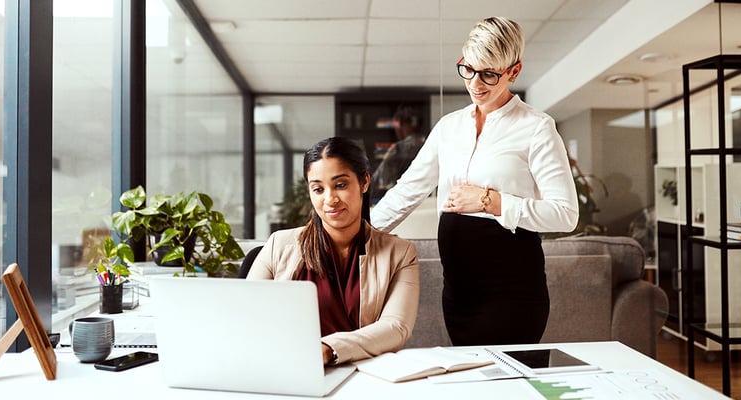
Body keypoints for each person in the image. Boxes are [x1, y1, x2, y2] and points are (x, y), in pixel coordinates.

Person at [371, 17, 579, 346]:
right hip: (459, 291)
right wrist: (352, 234)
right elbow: (408, 190)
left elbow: (565, 214)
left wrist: (490, 201)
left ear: (514, 71)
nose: (475, 83)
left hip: (512, 291)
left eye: (489, 74)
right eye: (468, 69)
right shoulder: (448, 127)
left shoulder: (537, 128)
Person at [247, 136, 420, 365]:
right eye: (318, 189)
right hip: (290, 367)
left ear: (364, 182)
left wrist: (329, 349)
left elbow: (396, 327)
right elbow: (248, 315)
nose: (330, 199)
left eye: (340, 185)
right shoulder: (278, 245)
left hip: (363, 373)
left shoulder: (400, 253)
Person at [373, 105, 426, 195]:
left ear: (403, 125)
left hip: (403, 196)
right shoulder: (429, 144)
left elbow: (380, 179)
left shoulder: (398, 148)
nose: (395, 130)